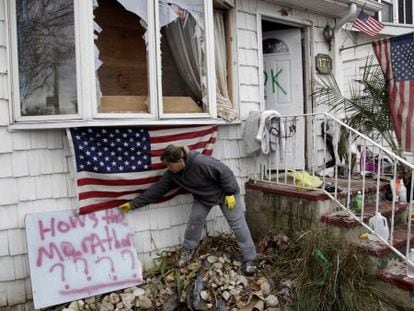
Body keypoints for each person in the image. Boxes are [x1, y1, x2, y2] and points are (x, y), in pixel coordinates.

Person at [118, 145, 258, 274]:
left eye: (169, 164)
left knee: (237, 225)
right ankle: (188, 251)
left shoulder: (200, 162)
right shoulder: (172, 174)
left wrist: (230, 192)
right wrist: (132, 205)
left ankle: (251, 259)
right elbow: (156, 191)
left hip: (226, 194)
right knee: (194, 222)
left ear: (180, 161)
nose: (168, 167)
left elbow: (225, 172)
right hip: (203, 198)